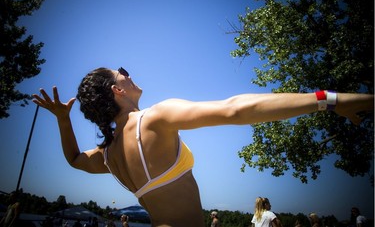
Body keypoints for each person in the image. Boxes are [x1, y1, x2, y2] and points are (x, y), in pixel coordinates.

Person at [32, 67, 374, 227]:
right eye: (121, 72)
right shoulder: (154, 118)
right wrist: (328, 101)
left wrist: (63, 119)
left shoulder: (109, 153)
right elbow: (235, 109)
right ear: (117, 91)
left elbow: (75, 160)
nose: (128, 72)